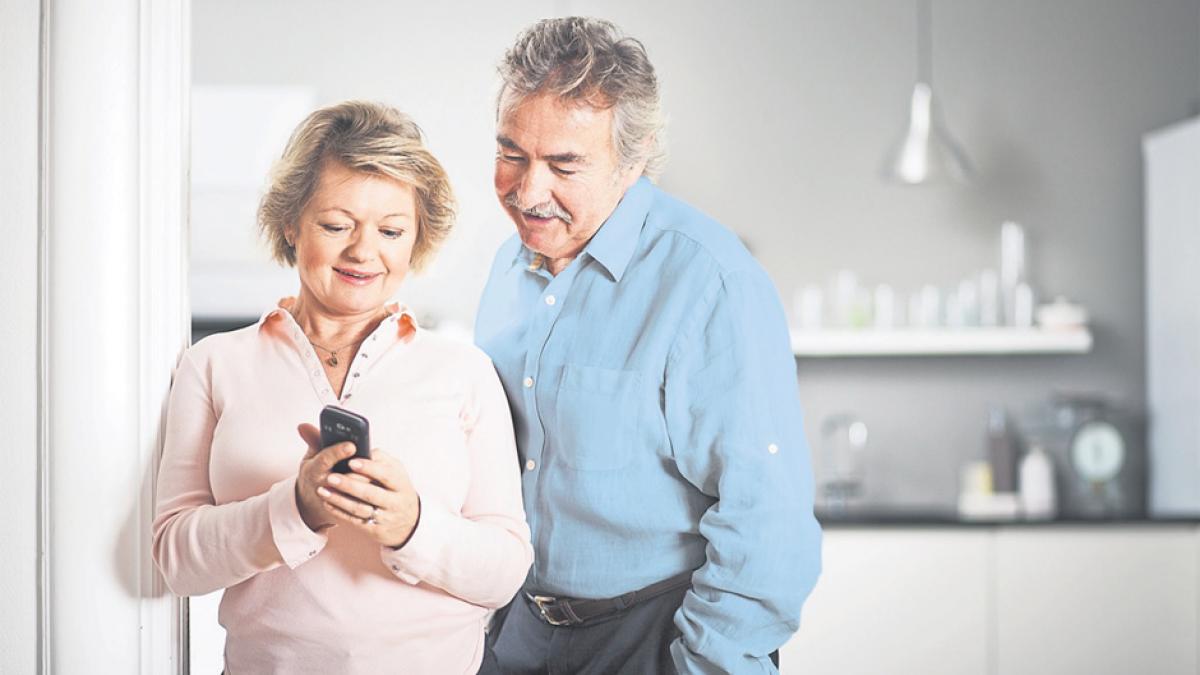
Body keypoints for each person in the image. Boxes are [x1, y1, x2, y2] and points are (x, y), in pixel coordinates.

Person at [474, 17, 822, 674]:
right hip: (520, 633)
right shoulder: (505, 267)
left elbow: (766, 522)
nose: (528, 191)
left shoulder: (714, 282)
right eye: (511, 153)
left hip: (653, 636)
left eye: (564, 164)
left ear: (635, 158)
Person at [153, 100, 532, 675]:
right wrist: (296, 508)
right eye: (336, 225)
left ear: (416, 239)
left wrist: (411, 524)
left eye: (391, 230)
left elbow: (505, 570)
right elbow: (175, 559)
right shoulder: (212, 364)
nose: (363, 251)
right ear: (290, 222)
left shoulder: (464, 372)